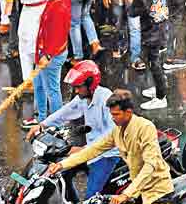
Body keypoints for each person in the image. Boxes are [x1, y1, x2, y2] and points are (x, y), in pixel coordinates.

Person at [48, 90, 173, 204]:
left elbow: (150, 165)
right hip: (137, 190)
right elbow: (93, 150)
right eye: (111, 115)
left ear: (128, 112)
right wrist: (62, 165)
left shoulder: (145, 127)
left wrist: (126, 194)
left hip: (156, 191)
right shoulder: (117, 131)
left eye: (116, 114)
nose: (112, 119)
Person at [27, 61, 118, 198]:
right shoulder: (84, 97)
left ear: (90, 83)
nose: (75, 91)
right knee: (60, 171)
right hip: (90, 150)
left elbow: (112, 135)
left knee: (91, 197)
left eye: (78, 87)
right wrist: (42, 125)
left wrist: (84, 149)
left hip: (108, 154)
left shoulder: (106, 99)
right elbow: (66, 111)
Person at [130, 0, 174, 110]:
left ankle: (161, 97)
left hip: (150, 35)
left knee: (154, 65)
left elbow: (132, 13)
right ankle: (158, 89)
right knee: (155, 63)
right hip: (163, 30)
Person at [33, 0, 71, 122]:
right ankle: (42, 118)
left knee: (52, 90)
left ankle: (57, 123)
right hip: (45, 54)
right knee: (39, 86)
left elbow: (58, 37)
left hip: (50, 56)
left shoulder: (59, 8)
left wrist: (47, 56)